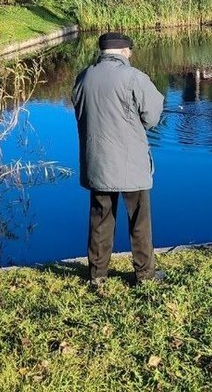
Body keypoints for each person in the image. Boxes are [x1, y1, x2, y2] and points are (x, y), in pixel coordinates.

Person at [72, 32, 165, 287]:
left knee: (100, 217)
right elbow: (153, 116)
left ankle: (97, 275)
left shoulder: (83, 77)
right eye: (130, 51)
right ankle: (144, 275)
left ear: (102, 51)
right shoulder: (134, 77)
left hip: (97, 160)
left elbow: (79, 112)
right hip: (131, 160)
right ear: (125, 51)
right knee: (139, 219)